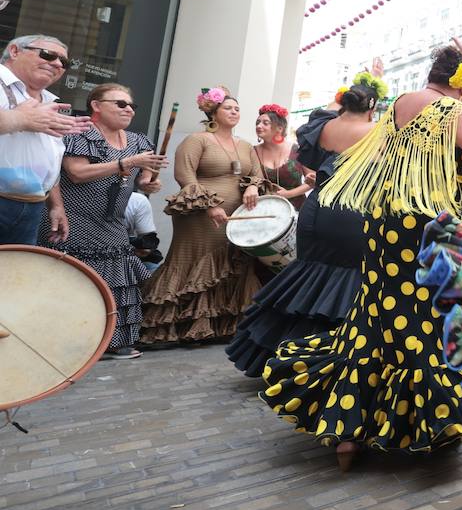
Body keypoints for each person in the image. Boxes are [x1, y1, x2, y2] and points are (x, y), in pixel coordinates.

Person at [260, 29, 462, 469]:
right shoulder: (450, 110)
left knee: (374, 314)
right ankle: (425, 423)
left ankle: (348, 432)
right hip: (426, 226)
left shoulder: (401, 104)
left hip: (384, 223)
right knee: (421, 319)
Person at [227, 74, 382, 377]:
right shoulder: (378, 131)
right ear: (371, 108)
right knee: (346, 281)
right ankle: (319, 363)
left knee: (308, 274)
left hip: (317, 211)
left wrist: (342, 97)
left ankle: (279, 355)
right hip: (352, 211)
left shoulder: (324, 126)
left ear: (344, 102)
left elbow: (321, 116)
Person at [45, 83, 166, 358]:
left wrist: (149, 183)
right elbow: (76, 173)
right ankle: (67, 343)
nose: (128, 109)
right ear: (96, 106)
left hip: (112, 222)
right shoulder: (81, 133)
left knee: (118, 278)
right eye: (120, 104)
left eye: (131, 105)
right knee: (74, 279)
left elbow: (144, 179)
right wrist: (126, 163)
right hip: (73, 219)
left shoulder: (138, 141)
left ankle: (113, 341)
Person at [141, 88, 266, 344]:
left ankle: (221, 326)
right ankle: (175, 327)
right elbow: (184, 176)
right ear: (213, 112)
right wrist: (208, 205)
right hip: (199, 214)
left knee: (230, 264)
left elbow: (257, 173)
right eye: (228, 108)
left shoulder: (245, 145)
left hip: (235, 214)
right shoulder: (197, 140)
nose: (234, 112)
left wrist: (253, 186)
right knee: (197, 261)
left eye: (237, 109)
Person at [0, 34, 89, 244]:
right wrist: (19, 118)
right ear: (15, 51)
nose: (57, 63)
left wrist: (56, 205)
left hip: (32, 206)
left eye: (64, 62)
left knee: (14, 276)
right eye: (48, 55)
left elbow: (46, 160)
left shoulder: (49, 100)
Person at [253, 104, 312, 209]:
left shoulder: (298, 150)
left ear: (279, 128)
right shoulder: (253, 151)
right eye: (257, 122)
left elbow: (313, 181)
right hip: (264, 210)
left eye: (265, 123)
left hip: (295, 210)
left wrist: (289, 194)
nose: (258, 126)